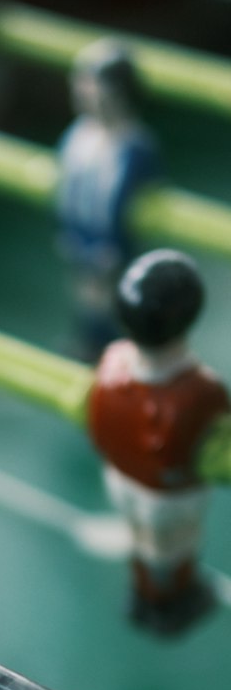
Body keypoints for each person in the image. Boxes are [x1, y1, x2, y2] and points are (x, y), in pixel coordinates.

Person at [88, 249, 228, 634]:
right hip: (170, 498)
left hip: (120, 478)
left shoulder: (112, 360)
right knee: (172, 550)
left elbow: (98, 424)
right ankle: (167, 599)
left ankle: (146, 591)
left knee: (141, 539)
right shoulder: (200, 391)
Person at [56, 40, 160, 358]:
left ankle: (114, 354)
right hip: (80, 239)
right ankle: (91, 345)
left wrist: (111, 250)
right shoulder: (78, 135)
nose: (82, 89)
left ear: (117, 90)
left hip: (113, 253)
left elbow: (129, 197)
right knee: (87, 301)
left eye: (90, 81)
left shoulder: (135, 144)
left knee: (114, 309)